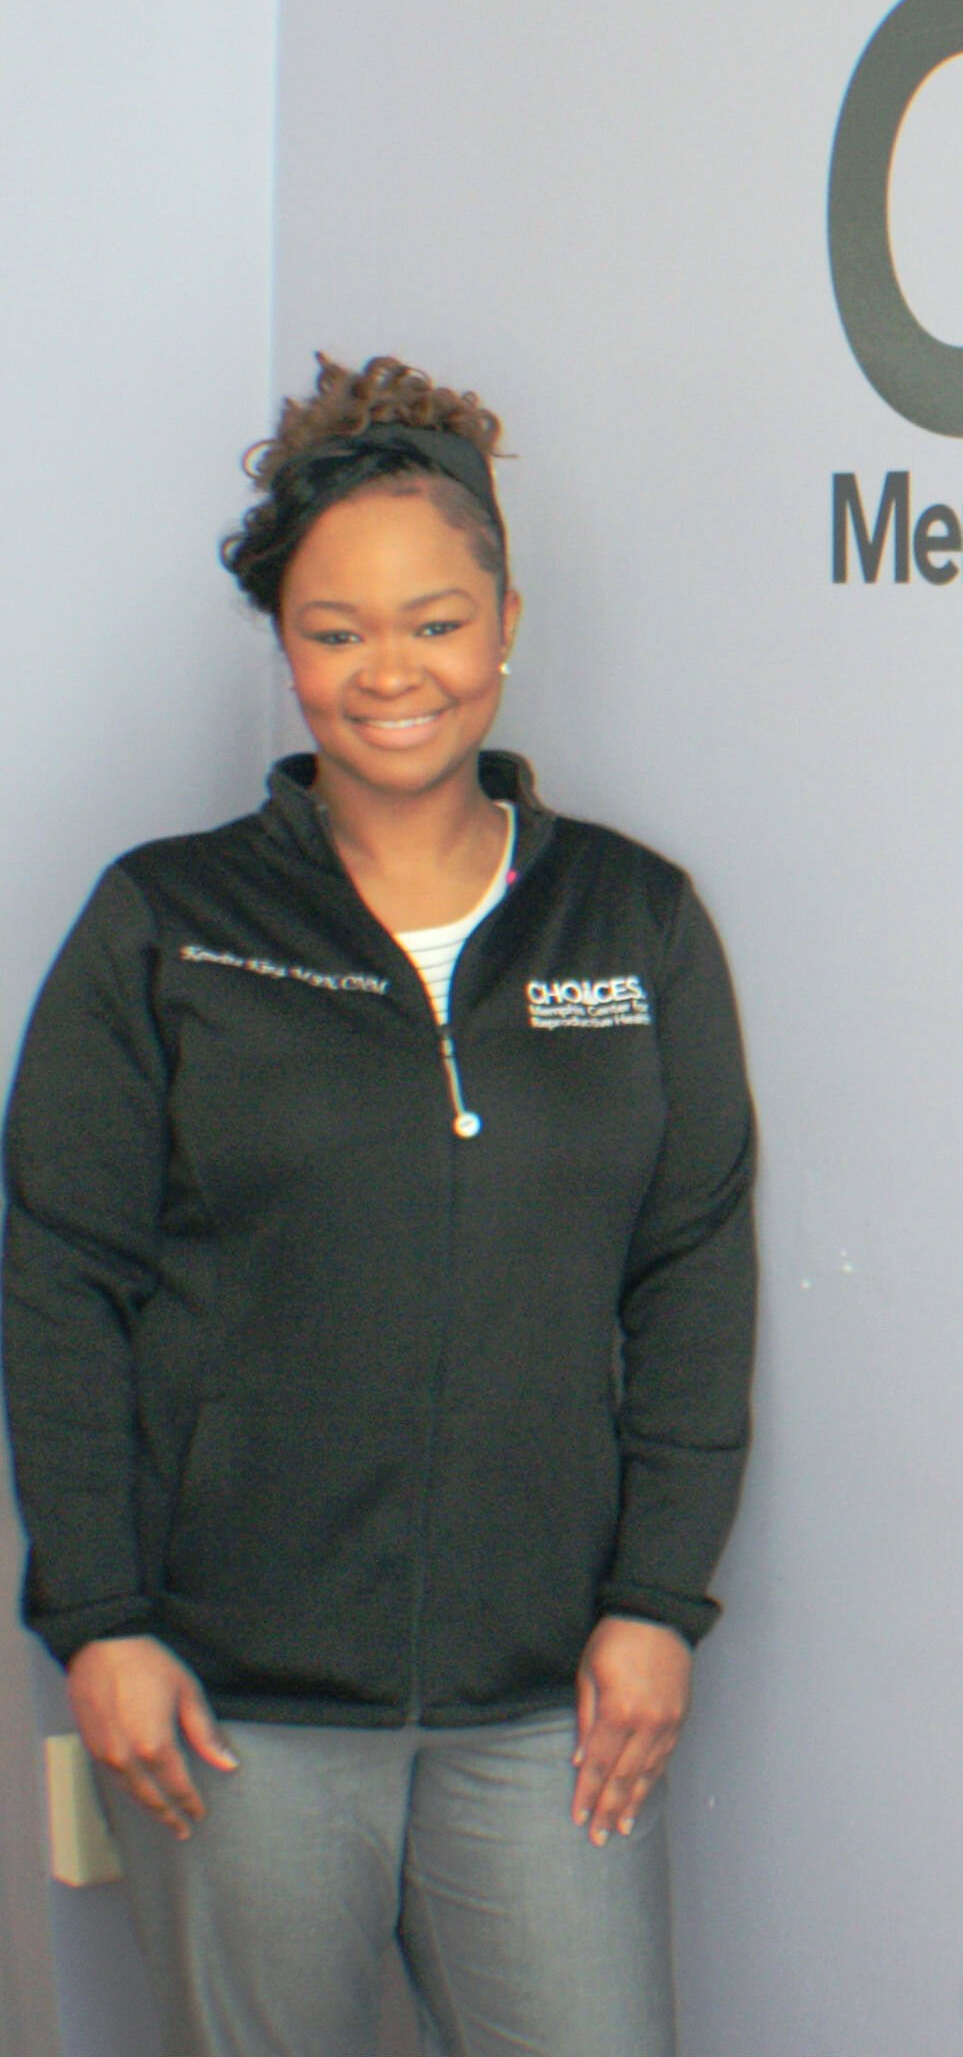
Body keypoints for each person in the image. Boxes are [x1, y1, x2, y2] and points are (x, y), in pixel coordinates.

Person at [4, 357, 757, 2057]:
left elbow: (694, 1271)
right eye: (337, 631)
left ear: (504, 622)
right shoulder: (166, 925)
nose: (390, 672)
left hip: (547, 1703)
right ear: (285, 648)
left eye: (433, 620)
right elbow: (62, 1283)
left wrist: (657, 1602)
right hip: (234, 1711)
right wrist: (100, 1622)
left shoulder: (632, 925)